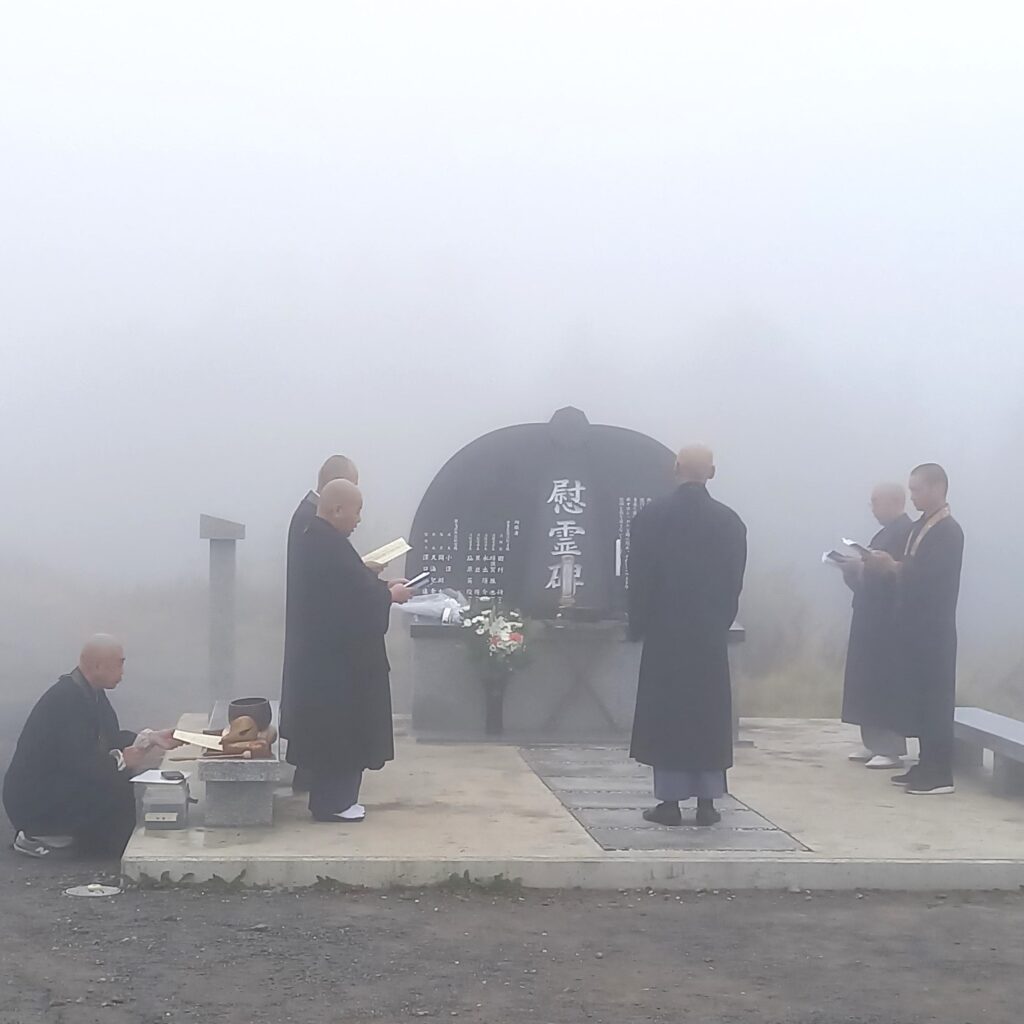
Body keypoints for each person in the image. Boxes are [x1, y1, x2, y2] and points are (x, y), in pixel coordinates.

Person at [627, 445, 747, 827]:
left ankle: (670, 803)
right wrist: (719, 621)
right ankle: (708, 803)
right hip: (709, 635)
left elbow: (640, 579)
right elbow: (734, 584)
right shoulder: (730, 522)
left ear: (675, 468)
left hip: (666, 633)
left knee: (669, 716)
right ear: (711, 472)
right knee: (707, 716)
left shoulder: (651, 517)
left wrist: (638, 624)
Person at [285, 480, 412, 822]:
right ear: (336, 509)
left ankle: (337, 801)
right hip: (338, 668)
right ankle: (334, 804)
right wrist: (389, 596)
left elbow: (353, 584)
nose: (358, 520)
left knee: (340, 735)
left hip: (334, 663)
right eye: (356, 511)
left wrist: (384, 587)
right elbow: (350, 602)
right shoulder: (324, 545)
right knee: (341, 736)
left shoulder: (323, 541)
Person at [3, 635, 181, 858]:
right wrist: (124, 760)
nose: (123, 671)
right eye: (119, 663)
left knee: (123, 794)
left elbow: (110, 738)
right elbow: (78, 761)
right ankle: (37, 835)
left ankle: (82, 837)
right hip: (35, 801)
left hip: (56, 787)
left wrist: (150, 739)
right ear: (98, 666)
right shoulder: (65, 699)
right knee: (118, 793)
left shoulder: (90, 692)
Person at [866, 463, 964, 796]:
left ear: (938, 488)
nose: (913, 496)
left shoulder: (948, 531)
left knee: (936, 699)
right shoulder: (920, 526)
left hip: (934, 629)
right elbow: (909, 566)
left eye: (918, 489)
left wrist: (893, 567)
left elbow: (931, 577)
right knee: (919, 699)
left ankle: (940, 773)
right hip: (912, 626)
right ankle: (925, 763)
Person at [280, 455, 360, 795]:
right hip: (314, 630)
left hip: (312, 626)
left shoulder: (312, 518)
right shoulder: (309, 521)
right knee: (311, 709)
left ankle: (310, 769)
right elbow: (321, 576)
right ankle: (311, 774)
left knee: (310, 709)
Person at [839, 483, 914, 770]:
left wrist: (881, 567)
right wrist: (853, 572)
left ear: (895, 502)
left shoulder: (905, 533)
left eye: (875, 502)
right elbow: (869, 580)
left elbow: (902, 576)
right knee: (866, 679)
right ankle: (872, 743)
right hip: (869, 615)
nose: (872, 508)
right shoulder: (883, 534)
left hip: (888, 620)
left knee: (885, 682)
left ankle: (891, 747)